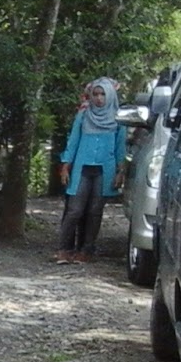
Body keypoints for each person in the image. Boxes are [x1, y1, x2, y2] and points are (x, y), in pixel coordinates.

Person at [55, 77, 127, 264]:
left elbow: (120, 148)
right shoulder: (84, 115)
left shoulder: (118, 120)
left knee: (95, 211)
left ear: (110, 96)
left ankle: (86, 250)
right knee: (74, 210)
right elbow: (73, 141)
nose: (99, 98)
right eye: (95, 94)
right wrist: (66, 166)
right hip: (82, 168)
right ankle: (63, 249)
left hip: (105, 170)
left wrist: (120, 171)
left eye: (103, 94)